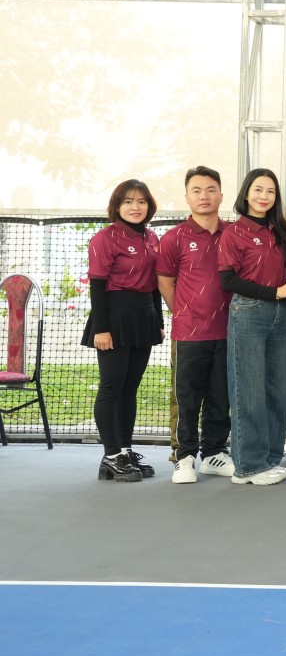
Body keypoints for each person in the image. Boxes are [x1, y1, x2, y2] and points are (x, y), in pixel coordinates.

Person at [219, 168, 286, 486]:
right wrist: (275, 292)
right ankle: (248, 466)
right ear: (246, 193)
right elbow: (228, 280)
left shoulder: (279, 231)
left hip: (282, 312)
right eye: (258, 189)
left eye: (270, 191)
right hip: (249, 312)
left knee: (277, 389)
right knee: (249, 390)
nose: (264, 196)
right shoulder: (233, 233)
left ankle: (269, 459)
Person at [157, 166, 234, 484]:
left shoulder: (233, 234)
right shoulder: (174, 238)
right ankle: (184, 456)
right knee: (186, 398)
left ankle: (214, 453)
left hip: (229, 332)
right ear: (187, 196)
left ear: (221, 195)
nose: (204, 196)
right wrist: (185, 313)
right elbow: (165, 282)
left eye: (210, 189)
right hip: (188, 334)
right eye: (197, 190)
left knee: (221, 397)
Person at [85, 180, 163, 482]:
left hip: (144, 316)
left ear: (149, 206)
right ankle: (111, 455)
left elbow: (155, 283)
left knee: (130, 389)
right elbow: (97, 285)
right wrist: (101, 329)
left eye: (141, 201)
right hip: (115, 316)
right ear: (117, 206)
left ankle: (124, 451)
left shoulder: (152, 238)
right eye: (128, 201)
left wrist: (158, 321)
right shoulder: (105, 238)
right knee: (111, 387)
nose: (135, 207)